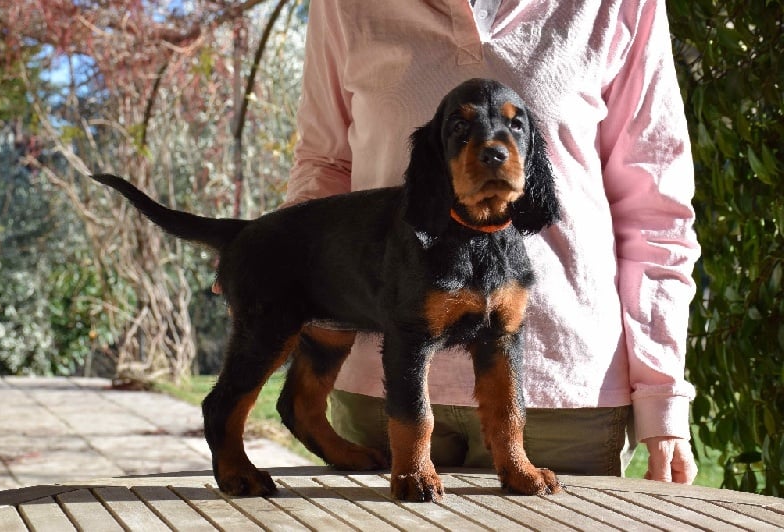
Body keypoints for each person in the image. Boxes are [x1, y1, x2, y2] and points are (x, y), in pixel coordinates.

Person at [284, 0, 700, 483]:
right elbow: (326, 164)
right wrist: (283, 267)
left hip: (561, 398)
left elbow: (654, 206)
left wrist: (662, 395)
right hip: (383, 384)